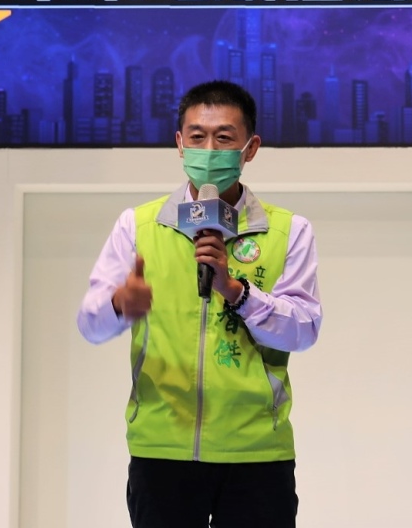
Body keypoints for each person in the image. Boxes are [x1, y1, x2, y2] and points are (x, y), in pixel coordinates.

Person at [77, 80, 322, 528]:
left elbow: (303, 330)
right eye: (197, 136)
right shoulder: (138, 225)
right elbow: (89, 325)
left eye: (224, 138)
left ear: (250, 148)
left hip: (256, 452)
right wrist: (119, 304)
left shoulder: (289, 231)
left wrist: (237, 292)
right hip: (161, 448)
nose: (209, 150)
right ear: (179, 143)